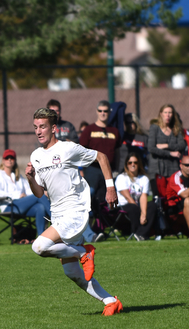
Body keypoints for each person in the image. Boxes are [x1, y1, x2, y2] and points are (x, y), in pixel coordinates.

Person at [26, 107, 123, 316]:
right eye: (35, 127)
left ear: (53, 128)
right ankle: (110, 301)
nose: (38, 131)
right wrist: (30, 178)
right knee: (71, 271)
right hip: (58, 214)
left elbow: (102, 157)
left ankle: (84, 252)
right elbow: (39, 194)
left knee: (39, 246)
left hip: (75, 210)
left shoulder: (68, 148)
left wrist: (110, 187)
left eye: (42, 127)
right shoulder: (36, 156)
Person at [0, 149, 51, 238]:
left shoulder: (19, 177)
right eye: (7, 158)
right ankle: (56, 219)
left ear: (15, 161)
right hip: (9, 206)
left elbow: (30, 191)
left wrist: (36, 192)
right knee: (39, 196)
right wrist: (18, 196)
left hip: (22, 206)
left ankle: (41, 238)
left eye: (12, 158)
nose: (9, 160)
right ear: (3, 160)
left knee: (40, 207)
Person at [79, 101, 121, 205]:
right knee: (91, 197)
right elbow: (80, 151)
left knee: (108, 199)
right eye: (100, 110)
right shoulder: (89, 130)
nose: (103, 113)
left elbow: (118, 151)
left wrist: (117, 169)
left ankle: (104, 220)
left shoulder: (114, 131)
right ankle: (90, 220)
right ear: (96, 111)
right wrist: (81, 170)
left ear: (110, 112)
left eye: (105, 111)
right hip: (92, 169)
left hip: (109, 169)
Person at [115, 153, 158, 241]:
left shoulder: (144, 178)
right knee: (133, 207)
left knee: (152, 206)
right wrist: (140, 211)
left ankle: (141, 234)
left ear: (139, 164)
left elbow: (143, 196)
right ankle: (139, 232)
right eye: (130, 163)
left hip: (137, 205)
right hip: (123, 206)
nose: (133, 165)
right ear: (126, 165)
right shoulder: (121, 177)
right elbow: (128, 198)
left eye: (135, 162)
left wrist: (143, 214)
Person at [147, 104, 186, 180]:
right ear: (161, 114)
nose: (167, 115)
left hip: (173, 169)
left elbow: (182, 145)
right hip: (157, 169)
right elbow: (151, 148)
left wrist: (167, 145)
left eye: (170, 112)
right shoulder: (154, 127)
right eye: (165, 112)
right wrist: (170, 153)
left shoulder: (176, 128)